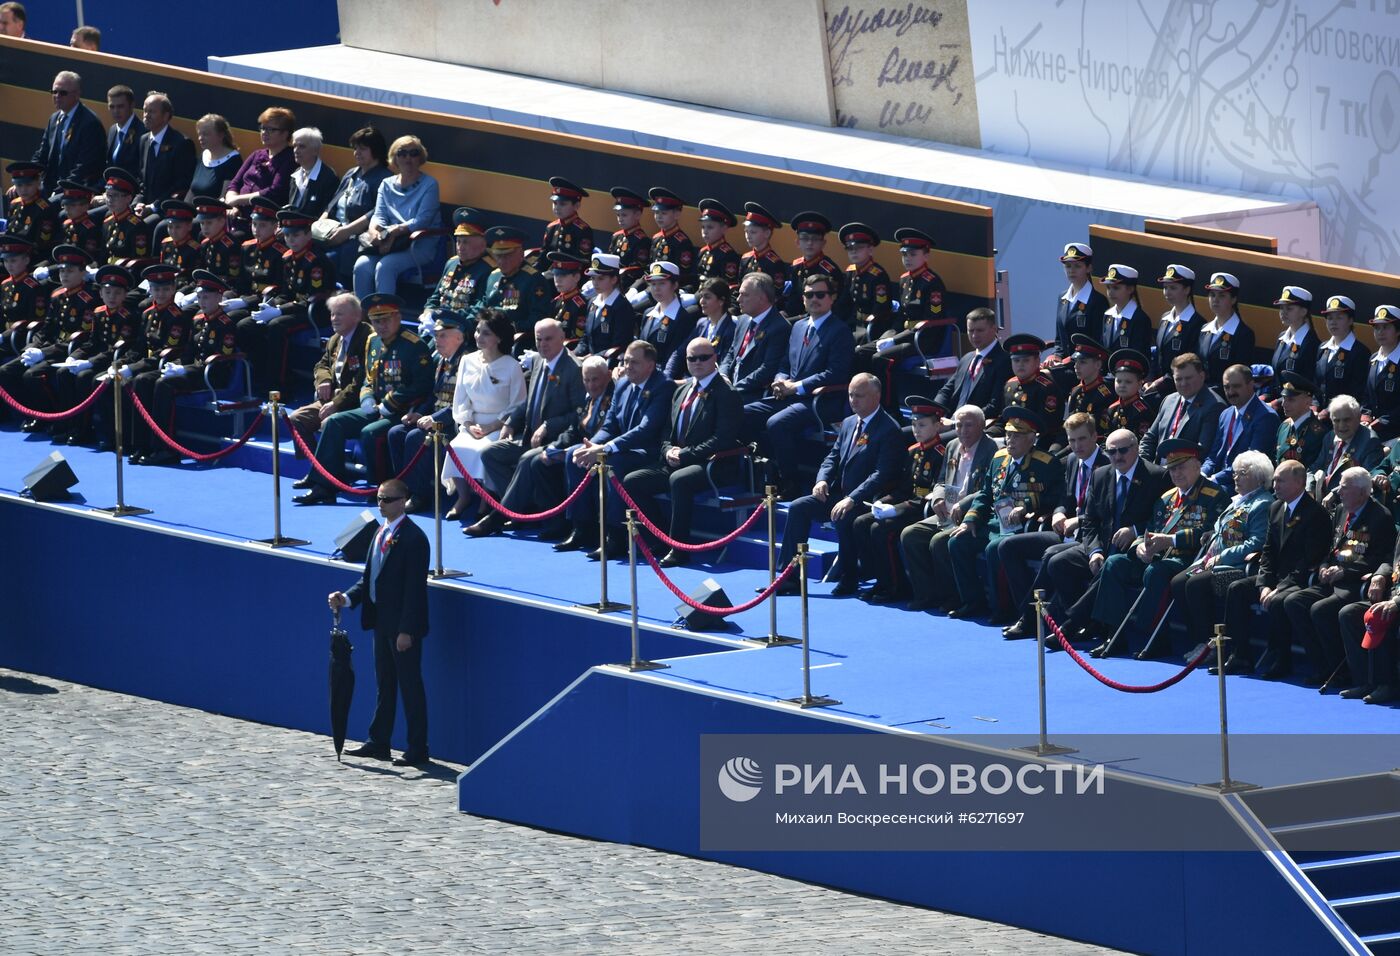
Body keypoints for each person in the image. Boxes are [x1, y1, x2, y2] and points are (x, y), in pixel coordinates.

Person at [1003, 428, 1169, 640]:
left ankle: (1072, 624)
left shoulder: (1156, 476)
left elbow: (1164, 519)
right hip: (1101, 544)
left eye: (1123, 450)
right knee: (1058, 562)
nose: (1117, 456)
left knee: (1109, 567)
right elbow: (1090, 520)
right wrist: (1095, 551)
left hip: (1134, 549)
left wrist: (1135, 529)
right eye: (1111, 452)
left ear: (1136, 448)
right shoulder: (1101, 475)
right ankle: (1080, 621)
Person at [1083, 438, 1227, 656]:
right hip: (1159, 556)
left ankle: (1154, 636)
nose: (1176, 474)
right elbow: (1150, 529)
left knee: (1156, 572)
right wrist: (1141, 547)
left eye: (1181, 467)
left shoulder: (1215, 496)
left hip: (1188, 560)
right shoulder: (1166, 498)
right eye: (1172, 469)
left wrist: (1170, 541)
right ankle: (1114, 634)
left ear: (1197, 465)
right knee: (1114, 564)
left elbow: (1210, 534)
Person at [329, 478, 432, 768]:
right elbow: (370, 577)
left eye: (386, 499)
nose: (381, 504)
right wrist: (346, 598)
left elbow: (414, 590)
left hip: (401, 626)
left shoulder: (414, 538)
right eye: (378, 499)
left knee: (410, 686)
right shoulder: (379, 534)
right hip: (381, 622)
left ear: (402, 501)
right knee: (384, 684)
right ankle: (379, 741)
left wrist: (407, 630)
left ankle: (417, 747)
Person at [294, 293, 433, 504]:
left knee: (370, 433)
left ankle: (382, 487)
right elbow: (368, 378)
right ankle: (324, 485)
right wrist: (367, 397)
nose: (381, 325)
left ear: (397, 317)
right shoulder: (372, 341)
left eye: (386, 319)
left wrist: (390, 403)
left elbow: (421, 384)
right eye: (376, 320)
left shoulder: (414, 345)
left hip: (402, 411)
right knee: (334, 422)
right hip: (374, 406)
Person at [775, 373, 903, 595]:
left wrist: (852, 499)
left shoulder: (888, 429)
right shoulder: (848, 422)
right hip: (838, 494)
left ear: (876, 396)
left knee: (844, 516)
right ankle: (789, 578)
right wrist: (822, 479)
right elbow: (832, 458)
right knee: (798, 507)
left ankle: (849, 578)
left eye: (859, 396)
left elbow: (881, 474)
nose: (853, 400)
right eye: (851, 395)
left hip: (868, 500)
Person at [622, 336, 742, 565]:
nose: (697, 362)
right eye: (692, 358)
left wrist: (685, 455)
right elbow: (667, 429)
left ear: (714, 358)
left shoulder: (727, 393)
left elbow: (722, 439)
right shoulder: (682, 389)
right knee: (632, 481)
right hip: (677, 459)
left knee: (679, 480)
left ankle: (679, 548)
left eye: (703, 358)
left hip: (712, 464)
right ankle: (658, 537)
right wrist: (668, 450)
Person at [940, 406, 1065, 618]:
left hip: (1021, 526)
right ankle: (973, 601)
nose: (1010, 441)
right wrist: (970, 519)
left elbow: (1054, 497)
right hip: (994, 521)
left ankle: (1003, 609)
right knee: (957, 542)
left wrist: (1026, 505)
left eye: (1017, 436)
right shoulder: (999, 458)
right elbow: (985, 494)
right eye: (1008, 435)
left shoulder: (1046, 463)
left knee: (994, 549)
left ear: (1031, 438)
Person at [466, 318, 585, 537]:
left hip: (557, 440)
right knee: (490, 454)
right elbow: (530, 401)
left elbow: (580, 413)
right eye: (539, 339)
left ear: (562, 339)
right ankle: (521, 510)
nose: (543, 344)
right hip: (529, 435)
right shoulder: (540, 360)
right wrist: (511, 421)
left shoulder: (573, 369)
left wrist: (549, 426)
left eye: (548, 339)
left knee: (527, 459)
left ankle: (499, 516)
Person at [1281, 466, 1396, 686]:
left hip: (1354, 583)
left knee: (1320, 609)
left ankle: (1339, 670)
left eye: (1344, 488)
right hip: (1331, 578)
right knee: (1294, 601)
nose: (1339, 493)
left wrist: (1345, 571)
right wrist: (1324, 564)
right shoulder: (1342, 510)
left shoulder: (1380, 516)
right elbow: (1332, 546)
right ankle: (1322, 665)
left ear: (1363, 492)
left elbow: (1381, 557)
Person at [742, 273, 855, 498]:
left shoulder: (840, 331)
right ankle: (763, 472)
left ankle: (790, 483)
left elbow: (837, 373)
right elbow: (785, 363)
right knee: (743, 413)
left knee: (777, 423)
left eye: (820, 294)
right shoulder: (798, 326)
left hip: (820, 400)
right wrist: (780, 380)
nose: (814, 299)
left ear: (832, 298)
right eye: (809, 295)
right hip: (790, 395)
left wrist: (797, 386)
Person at [558, 340, 674, 558]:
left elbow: (646, 429)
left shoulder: (662, 385)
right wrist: (592, 445)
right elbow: (611, 424)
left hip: (647, 451)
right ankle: (582, 528)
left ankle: (616, 536)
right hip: (620, 447)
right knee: (575, 455)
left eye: (634, 363)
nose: (628, 366)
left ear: (650, 365)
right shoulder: (622, 384)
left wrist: (605, 448)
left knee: (614, 465)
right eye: (626, 361)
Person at [1218, 458, 1330, 675]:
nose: (1275, 485)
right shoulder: (1276, 507)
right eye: (1274, 480)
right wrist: (1265, 583)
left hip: (1299, 578)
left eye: (1281, 481)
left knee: (1279, 601)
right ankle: (1240, 655)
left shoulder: (1315, 513)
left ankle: (1281, 659)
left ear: (1298, 483)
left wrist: (1280, 586)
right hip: (1276, 577)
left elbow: (1310, 559)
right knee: (1237, 589)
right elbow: (1268, 551)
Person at [990, 412, 1102, 626]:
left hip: (1089, 536)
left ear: (1094, 436)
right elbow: (1065, 497)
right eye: (1071, 440)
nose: (1077, 445)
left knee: (1051, 557)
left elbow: (1106, 510)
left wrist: (1079, 520)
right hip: (1065, 532)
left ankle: (1030, 618)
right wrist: (1060, 511)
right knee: (1008, 547)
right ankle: (1029, 611)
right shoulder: (1071, 460)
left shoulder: (1107, 463)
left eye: (1082, 439)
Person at [491, 355, 611, 541]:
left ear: (608, 376)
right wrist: (554, 448)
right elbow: (574, 429)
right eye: (586, 380)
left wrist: (567, 451)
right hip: (576, 445)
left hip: (600, 451)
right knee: (539, 460)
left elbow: (607, 430)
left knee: (556, 457)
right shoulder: (590, 398)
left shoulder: (612, 397)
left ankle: (581, 529)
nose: (591, 384)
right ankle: (556, 523)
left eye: (595, 379)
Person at [129, 269, 240, 466]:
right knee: (142, 380)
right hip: (193, 371)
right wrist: (178, 365)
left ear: (219, 297)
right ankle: (141, 444)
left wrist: (184, 370)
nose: (203, 301)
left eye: (207, 297)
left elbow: (220, 364)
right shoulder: (197, 320)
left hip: (212, 375)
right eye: (199, 297)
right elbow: (188, 353)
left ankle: (166, 449)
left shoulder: (226, 324)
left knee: (164, 385)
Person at [1168, 450, 1273, 655]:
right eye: (1234, 472)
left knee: (1196, 584)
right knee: (1178, 582)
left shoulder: (1262, 503)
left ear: (1259, 476)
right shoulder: (1237, 500)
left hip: (1241, 567)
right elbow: (1223, 529)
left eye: (1242, 473)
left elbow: (1256, 543)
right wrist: (1211, 534)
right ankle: (1200, 640)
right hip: (1213, 561)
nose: (1235, 477)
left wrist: (1221, 556)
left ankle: (1212, 645)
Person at [901, 404, 999, 611]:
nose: (963, 431)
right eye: (959, 425)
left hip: (974, 514)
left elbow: (988, 490)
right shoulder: (953, 445)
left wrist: (963, 505)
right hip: (947, 511)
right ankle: (927, 594)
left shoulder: (992, 450)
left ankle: (953, 596)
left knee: (939, 542)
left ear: (982, 425)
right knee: (910, 534)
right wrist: (937, 498)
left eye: (969, 425)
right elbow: (942, 480)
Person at [853, 394, 946, 603]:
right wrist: (884, 501)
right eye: (913, 425)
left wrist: (895, 509)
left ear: (938, 426)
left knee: (880, 529)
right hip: (907, 505)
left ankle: (897, 586)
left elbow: (929, 496)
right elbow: (904, 489)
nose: (916, 430)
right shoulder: (913, 452)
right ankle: (881, 580)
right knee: (861, 522)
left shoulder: (942, 454)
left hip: (922, 511)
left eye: (922, 425)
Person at [234, 207, 332, 395]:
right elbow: (286, 292)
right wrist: (270, 304)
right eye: (287, 236)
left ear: (308, 234)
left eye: (295, 235)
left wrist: (279, 310)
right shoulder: (289, 258)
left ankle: (280, 383)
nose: (290, 240)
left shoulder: (316, 261)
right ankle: (260, 375)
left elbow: (311, 299)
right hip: (294, 308)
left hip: (315, 312)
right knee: (246, 325)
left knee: (277, 326)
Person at [439, 310, 527, 515]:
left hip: (499, 426)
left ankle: (486, 500)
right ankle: (464, 496)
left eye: (486, 333)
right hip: (473, 422)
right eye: (478, 331)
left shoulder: (512, 366)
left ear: (498, 337)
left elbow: (517, 404)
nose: (479, 336)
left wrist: (492, 426)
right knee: (456, 447)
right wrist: (468, 424)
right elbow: (460, 398)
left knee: (483, 452)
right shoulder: (467, 360)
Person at [0, 244, 97, 429]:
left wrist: (44, 353)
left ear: (82, 272)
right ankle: (30, 412)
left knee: (32, 375)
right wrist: (33, 346)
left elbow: (84, 337)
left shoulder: (90, 297)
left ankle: (50, 416)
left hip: (73, 350)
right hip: (53, 346)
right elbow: (47, 329)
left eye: (70, 271)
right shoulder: (57, 295)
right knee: (6, 371)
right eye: (61, 272)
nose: (64, 276)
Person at [387, 312, 470, 512]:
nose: (436, 339)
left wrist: (434, 418)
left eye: (443, 335)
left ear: (459, 337)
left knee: (417, 437)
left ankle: (420, 495)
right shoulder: (442, 360)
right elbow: (434, 396)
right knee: (396, 432)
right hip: (435, 419)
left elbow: (464, 404)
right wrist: (418, 413)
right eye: (436, 335)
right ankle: (404, 488)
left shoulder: (467, 362)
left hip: (455, 423)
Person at [856, 226, 948, 406]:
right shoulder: (905, 279)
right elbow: (901, 316)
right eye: (905, 254)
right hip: (904, 334)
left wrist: (894, 340)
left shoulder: (932, 283)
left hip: (923, 338)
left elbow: (931, 322)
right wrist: (888, 335)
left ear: (926, 255)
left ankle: (889, 408)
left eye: (913, 254)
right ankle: (862, 402)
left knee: (880, 358)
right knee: (860, 353)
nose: (908, 259)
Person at [51, 264, 138, 444]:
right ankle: (71, 426)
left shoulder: (128, 316)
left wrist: (89, 362)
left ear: (124, 295)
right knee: (63, 373)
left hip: (116, 360)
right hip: (99, 359)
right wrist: (74, 356)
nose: (112, 297)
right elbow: (92, 342)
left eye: (117, 293)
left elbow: (118, 349)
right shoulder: (99, 313)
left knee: (86, 378)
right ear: (100, 294)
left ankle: (89, 431)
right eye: (107, 293)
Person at [353, 135, 441, 298]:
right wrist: (375, 232)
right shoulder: (386, 184)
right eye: (402, 153)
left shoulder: (430, 184)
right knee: (362, 265)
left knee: (385, 267)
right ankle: (363, 318)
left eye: (414, 153)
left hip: (417, 246)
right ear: (395, 157)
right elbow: (378, 215)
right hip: (387, 243)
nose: (408, 158)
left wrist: (394, 232)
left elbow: (422, 221)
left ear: (420, 158)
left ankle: (385, 317)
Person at [287, 291, 371, 453]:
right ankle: (315, 467)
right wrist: (324, 380)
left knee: (329, 423)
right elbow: (322, 365)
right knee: (296, 419)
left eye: (339, 314)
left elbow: (361, 380)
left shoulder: (368, 338)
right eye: (332, 314)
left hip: (355, 402)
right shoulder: (335, 338)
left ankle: (330, 472)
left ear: (356, 316)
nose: (334, 318)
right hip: (332, 398)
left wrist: (337, 403)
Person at [1336, 539, 1400, 704]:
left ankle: (1388, 684)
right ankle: (1364, 681)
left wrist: (1397, 602)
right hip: (1392, 593)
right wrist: (1379, 575)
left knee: (1381, 615)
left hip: (1396, 601)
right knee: (1349, 614)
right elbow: (1391, 558)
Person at [1201, 363, 1280, 494]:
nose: (1231, 392)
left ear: (1251, 385)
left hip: (1242, 488)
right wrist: (1202, 473)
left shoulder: (1265, 416)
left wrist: (1213, 479)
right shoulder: (1226, 414)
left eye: (1236, 386)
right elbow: (1214, 455)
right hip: (1218, 482)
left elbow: (1251, 465)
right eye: (1227, 387)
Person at [467, 226, 550, 345]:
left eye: (507, 255)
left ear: (521, 254)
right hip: (486, 334)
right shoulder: (493, 276)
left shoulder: (533, 280)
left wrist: (510, 328)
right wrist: (465, 320)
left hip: (513, 337)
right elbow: (483, 305)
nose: (501, 261)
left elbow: (538, 317)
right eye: (498, 256)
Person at [1045, 242, 1109, 393]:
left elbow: (1097, 343)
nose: (1071, 271)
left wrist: (1068, 360)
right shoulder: (1063, 298)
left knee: (1044, 379)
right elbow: (1060, 339)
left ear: (1089, 268)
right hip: (1065, 365)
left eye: (1077, 266)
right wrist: (1055, 356)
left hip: (1087, 367)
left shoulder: (1097, 301)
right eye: (1068, 266)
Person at [1139, 353, 1224, 464]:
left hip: (1183, 473)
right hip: (1157, 471)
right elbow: (1150, 438)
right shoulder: (1169, 400)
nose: (1183, 383)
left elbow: (1202, 451)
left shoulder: (1214, 406)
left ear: (1202, 376)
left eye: (1188, 378)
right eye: (1178, 379)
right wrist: (1143, 465)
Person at [719, 272, 789, 404]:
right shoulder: (743, 320)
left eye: (744, 295)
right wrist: (722, 375)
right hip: (729, 387)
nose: (738, 299)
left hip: (752, 394)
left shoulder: (779, 327)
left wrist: (733, 390)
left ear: (762, 298)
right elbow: (732, 353)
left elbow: (767, 369)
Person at [32, 71, 105, 195]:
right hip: (51, 184)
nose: (57, 96)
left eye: (63, 93)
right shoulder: (54, 119)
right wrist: (27, 176)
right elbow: (42, 154)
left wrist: (62, 188)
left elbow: (85, 166)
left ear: (77, 94)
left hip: (75, 189)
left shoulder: (89, 123)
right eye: (54, 92)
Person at [419, 207, 491, 331]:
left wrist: (448, 321)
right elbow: (436, 297)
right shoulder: (451, 262)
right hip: (438, 323)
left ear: (482, 245)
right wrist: (428, 313)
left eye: (466, 242)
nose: (460, 247)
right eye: (458, 242)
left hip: (461, 328)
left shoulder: (488, 269)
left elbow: (479, 308)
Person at [223, 107, 297, 224]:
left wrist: (237, 200)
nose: (264, 133)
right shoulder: (257, 154)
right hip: (236, 213)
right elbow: (234, 184)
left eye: (271, 129)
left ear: (285, 134)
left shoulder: (290, 159)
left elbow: (274, 192)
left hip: (262, 220)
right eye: (263, 128)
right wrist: (233, 205)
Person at [134, 92, 195, 225]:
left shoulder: (181, 143)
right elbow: (141, 178)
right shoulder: (144, 140)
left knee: (142, 226)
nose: (146, 116)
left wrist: (154, 206)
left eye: (152, 112)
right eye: (145, 111)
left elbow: (181, 185)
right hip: (145, 205)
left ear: (166, 116)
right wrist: (138, 203)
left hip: (166, 208)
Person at [1145, 263, 1204, 400]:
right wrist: (1149, 379)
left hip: (1179, 388)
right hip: (1156, 387)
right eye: (1165, 288)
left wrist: (1160, 382)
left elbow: (1191, 362)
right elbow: (1157, 353)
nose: (1167, 292)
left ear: (1187, 289)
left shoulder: (1197, 323)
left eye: (1173, 288)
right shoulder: (1165, 318)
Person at [994, 333, 1062, 449]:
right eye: (1016, 361)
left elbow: (1048, 426)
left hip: (1037, 441)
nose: (1020, 365)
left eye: (1026, 360)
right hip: (1011, 438)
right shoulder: (1009, 385)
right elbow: (1003, 420)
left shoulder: (1045, 387)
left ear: (1037, 361)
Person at [1312, 394, 1382, 496]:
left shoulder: (1369, 441)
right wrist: (1310, 487)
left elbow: (1366, 481)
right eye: (1336, 420)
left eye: (1346, 420)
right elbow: (1315, 467)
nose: (1341, 425)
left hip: (1347, 503)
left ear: (1358, 418)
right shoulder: (1330, 436)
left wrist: (1334, 494)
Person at [637, 261, 697, 378]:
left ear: (675, 285)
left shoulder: (683, 319)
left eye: (662, 283)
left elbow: (676, 359)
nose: (656, 289)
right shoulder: (648, 313)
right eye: (653, 284)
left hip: (664, 379)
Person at [573, 253, 635, 360]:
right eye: (593, 278)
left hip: (609, 366)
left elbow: (619, 347)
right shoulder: (593, 302)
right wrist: (574, 354)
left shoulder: (622, 307)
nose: (595, 283)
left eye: (601, 278)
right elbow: (585, 339)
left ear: (614, 279)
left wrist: (591, 358)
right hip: (590, 362)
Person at [783, 211, 844, 319]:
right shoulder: (796, 267)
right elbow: (794, 298)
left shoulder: (829, 271)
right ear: (797, 242)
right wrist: (786, 313)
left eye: (815, 239)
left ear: (823, 243)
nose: (810, 243)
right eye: (805, 238)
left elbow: (831, 306)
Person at [1198, 273, 1256, 387]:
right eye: (1212, 295)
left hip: (1226, 396)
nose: (1215, 300)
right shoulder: (1204, 329)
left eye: (1222, 295)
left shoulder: (1244, 334)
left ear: (1233, 299)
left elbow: (1239, 377)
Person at [840, 222, 893, 344]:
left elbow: (881, 308)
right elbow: (844, 301)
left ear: (870, 250)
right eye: (850, 248)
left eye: (858, 248)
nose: (853, 252)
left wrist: (872, 318)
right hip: (853, 321)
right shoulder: (850, 271)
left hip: (872, 326)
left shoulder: (878, 275)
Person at [1316, 295, 1370, 411]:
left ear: (1350, 320)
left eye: (1339, 318)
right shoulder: (1322, 348)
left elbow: (1356, 393)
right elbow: (1316, 382)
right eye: (1329, 318)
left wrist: (1329, 411)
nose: (1333, 322)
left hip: (1343, 417)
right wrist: (1314, 405)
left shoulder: (1360, 352)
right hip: (1318, 416)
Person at [0, 236, 47, 361]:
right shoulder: (5, 285)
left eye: (13, 261)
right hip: (5, 337)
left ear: (26, 260)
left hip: (19, 338)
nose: (9, 265)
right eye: (6, 261)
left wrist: (3, 336)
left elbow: (34, 320)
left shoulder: (33, 287)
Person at [1269, 286, 1319, 397]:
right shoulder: (1282, 337)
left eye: (1289, 308)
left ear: (1303, 311)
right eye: (1282, 308)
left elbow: (1305, 385)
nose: (1283, 312)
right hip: (1277, 401)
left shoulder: (1311, 343)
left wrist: (1276, 403)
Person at [5, 161, 59, 262]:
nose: (23, 189)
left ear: (38, 183)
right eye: (19, 185)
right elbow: (10, 232)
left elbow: (41, 245)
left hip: (31, 258)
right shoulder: (14, 204)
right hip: (11, 255)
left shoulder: (44, 208)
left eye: (28, 185)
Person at [644, 187, 695, 290]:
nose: (659, 217)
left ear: (677, 214)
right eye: (656, 213)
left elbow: (683, 275)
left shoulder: (682, 242)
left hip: (670, 291)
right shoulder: (656, 238)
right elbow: (649, 268)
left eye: (664, 213)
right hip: (652, 288)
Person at [100, 166, 151, 268]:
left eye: (115, 195)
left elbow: (138, 262)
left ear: (128, 198)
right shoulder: (108, 219)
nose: (110, 200)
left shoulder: (136, 225)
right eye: (108, 195)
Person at [1063, 334, 1114, 436]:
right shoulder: (1075, 391)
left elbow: (1101, 431)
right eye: (1075, 361)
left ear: (1098, 365)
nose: (1076, 366)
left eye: (1082, 362)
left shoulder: (1106, 393)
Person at [281, 127, 338, 219]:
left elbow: (326, 212)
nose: (296, 150)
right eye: (294, 146)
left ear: (315, 151)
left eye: (302, 146)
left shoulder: (328, 178)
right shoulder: (295, 174)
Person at [1274, 372, 1330, 465]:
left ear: (1308, 402)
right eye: (1284, 398)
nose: (1284, 404)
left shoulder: (1318, 433)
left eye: (1291, 400)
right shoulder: (1284, 426)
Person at [737, 202, 789, 297]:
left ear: (767, 233)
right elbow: (739, 287)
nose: (748, 235)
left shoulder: (774, 263)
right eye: (746, 231)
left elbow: (776, 294)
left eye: (753, 232)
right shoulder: (746, 258)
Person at [1364, 304, 1400, 440]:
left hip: (1395, 435)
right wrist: (1365, 414)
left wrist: (1382, 421)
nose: (1380, 332)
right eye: (1377, 328)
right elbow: (1367, 395)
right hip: (1373, 431)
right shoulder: (1374, 359)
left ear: (1398, 331)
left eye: (1386, 327)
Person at [188, 114, 242, 203]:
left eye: (205, 134)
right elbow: (192, 191)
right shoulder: (203, 155)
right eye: (199, 134)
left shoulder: (233, 160)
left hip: (213, 214)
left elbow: (223, 198)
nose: (200, 138)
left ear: (221, 135)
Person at [1099, 264, 1151, 355]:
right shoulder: (1108, 315)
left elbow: (1138, 353)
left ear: (1130, 289)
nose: (1110, 292)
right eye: (1108, 287)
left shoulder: (1140, 318)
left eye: (1116, 288)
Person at [607, 187, 651, 287]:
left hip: (627, 286)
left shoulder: (642, 241)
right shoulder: (616, 236)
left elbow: (638, 271)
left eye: (624, 215)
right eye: (618, 215)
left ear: (638, 215)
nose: (620, 219)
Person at [694, 198, 740, 294]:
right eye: (703, 227)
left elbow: (729, 287)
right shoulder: (703, 251)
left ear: (724, 228)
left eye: (710, 227)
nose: (705, 231)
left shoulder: (728, 255)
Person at [541, 177, 593, 260]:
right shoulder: (551, 227)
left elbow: (583, 260)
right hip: (551, 271)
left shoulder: (583, 230)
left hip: (573, 272)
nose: (557, 207)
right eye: (555, 203)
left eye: (562, 204)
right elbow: (543, 256)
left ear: (576, 206)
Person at [1105, 348, 1153, 438]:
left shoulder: (1142, 411)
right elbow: (1106, 437)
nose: (1122, 385)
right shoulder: (1112, 409)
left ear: (1139, 384)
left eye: (1128, 382)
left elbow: (1143, 441)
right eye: (1119, 381)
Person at [691, 277, 735, 363]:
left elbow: (725, 362)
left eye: (707, 297)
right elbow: (681, 352)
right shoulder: (701, 323)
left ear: (721, 301)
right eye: (701, 297)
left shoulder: (732, 328)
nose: (702, 301)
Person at [104, 86, 146, 178]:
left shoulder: (143, 133)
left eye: (120, 106)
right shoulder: (113, 130)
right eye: (112, 106)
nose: (116, 111)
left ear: (132, 105)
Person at [546, 252, 590, 339]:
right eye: (555, 274)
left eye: (563, 275)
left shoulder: (581, 305)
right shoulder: (556, 301)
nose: (558, 280)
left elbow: (577, 339)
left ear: (576, 277)